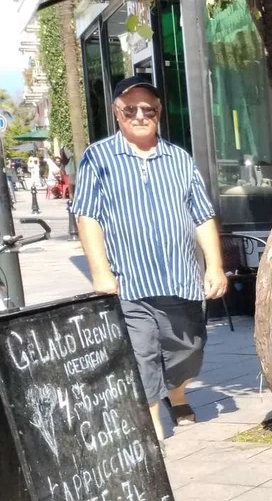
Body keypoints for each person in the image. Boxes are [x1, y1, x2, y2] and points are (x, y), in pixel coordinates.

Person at [72, 76, 227, 440]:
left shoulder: (179, 159)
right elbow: (87, 216)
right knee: (141, 352)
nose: (140, 115)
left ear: (158, 112)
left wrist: (216, 266)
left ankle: (177, 393)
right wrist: (100, 272)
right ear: (117, 112)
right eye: (131, 109)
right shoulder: (98, 158)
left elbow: (203, 216)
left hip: (181, 277)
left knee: (189, 349)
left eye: (148, 109)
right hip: (130, 280)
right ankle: (153, 423)